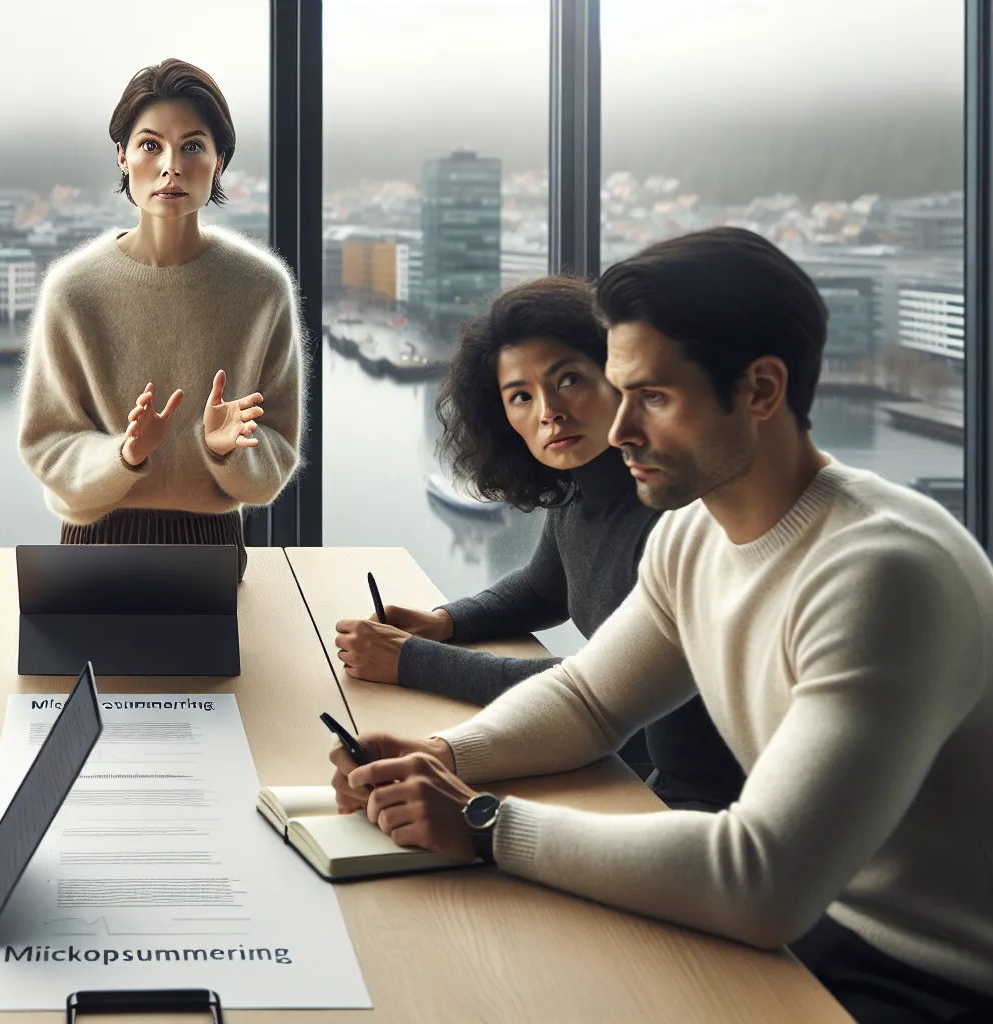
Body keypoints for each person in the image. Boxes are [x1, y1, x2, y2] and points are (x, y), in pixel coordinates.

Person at [326, 228, 992, 1022]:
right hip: (810, 927)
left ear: (760, 390)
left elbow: (760, 880)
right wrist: (440, 757)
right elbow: (588, 701)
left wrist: (480, 819)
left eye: (654, 398)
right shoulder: (694, 530)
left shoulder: (883, 572)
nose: (617, 431)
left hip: (925, 976)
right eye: (620, 390)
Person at [333, 277, 743, 811]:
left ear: (619, 372)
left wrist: (413, 660)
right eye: (520, 396)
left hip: (694, 800)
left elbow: (596, 691)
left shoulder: (673, 516)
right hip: (639, 777)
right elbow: (543, 587)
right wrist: (446, 621)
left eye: (568, 379)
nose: (548, 411)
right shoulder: (590, 486)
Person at [18, 58, 303, 578]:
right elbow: (45, 442)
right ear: (123, 157)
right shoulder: (73, 290)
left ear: (219, 162)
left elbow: (279, 450)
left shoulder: (263, 290)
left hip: (212, 546)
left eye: (192, 146)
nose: (171, 164)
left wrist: (226, 450)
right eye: (151, 145)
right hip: (90, 544)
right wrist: (123, 455)